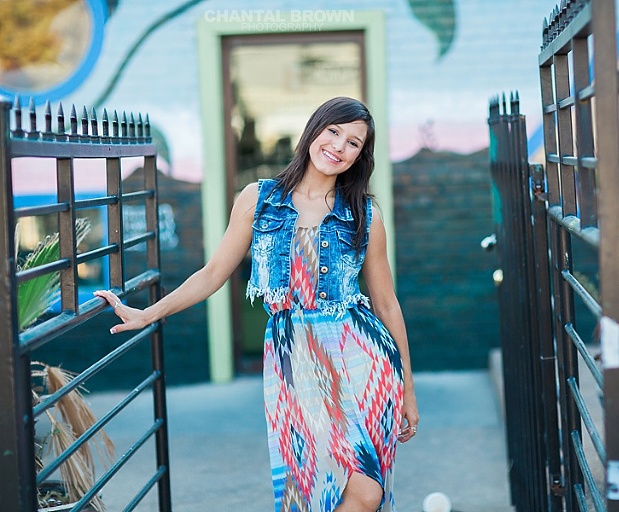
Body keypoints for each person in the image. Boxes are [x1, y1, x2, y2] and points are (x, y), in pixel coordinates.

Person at [94, 96, 418, 512]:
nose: (339, 146)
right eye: (333, 131)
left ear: (360, 156)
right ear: (313, 130)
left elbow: (387, 303)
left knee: (365, 488)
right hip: (296, 358)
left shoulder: (365, 215)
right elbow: (212, 274)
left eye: (354, 143)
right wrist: (148, 313)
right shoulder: (257, 199)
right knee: (319, 487)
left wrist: (407, 387)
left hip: (364, 359)